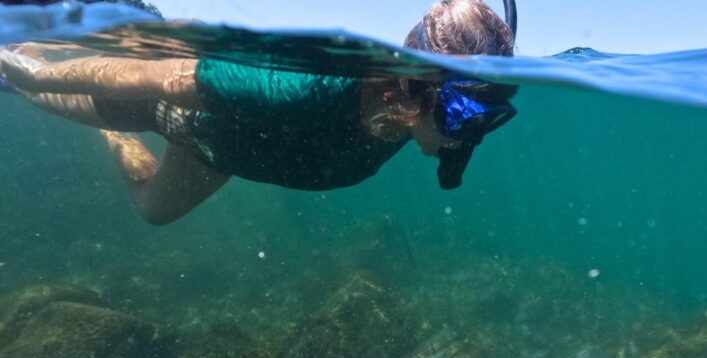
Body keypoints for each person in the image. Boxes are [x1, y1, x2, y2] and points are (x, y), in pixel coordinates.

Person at [0, 0, 518, 225]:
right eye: (463, 110)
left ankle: (112, 134)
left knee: (153, 212)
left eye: (486, 112)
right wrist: (34, 75)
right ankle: (29, 58)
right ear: (413, 87)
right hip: (167, 108)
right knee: (28, 83)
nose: (470, 131)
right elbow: (154, 80)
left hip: (223, 150)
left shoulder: (418, 119)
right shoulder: (304, 87)